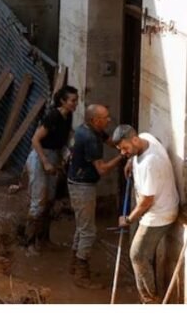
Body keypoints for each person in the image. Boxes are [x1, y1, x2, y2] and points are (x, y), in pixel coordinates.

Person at [111, 125, 180, 304]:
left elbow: (146, 201)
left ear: (134, 140)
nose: (124, 152)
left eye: (125, 148)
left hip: (159, 213)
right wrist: (130, 162)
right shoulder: (144, 137)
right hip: (155, 207)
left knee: (137, 254)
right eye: (121, 150)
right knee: (141, 254)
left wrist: (128, 219)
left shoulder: (150, 163)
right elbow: (144, 142)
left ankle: (150, 300)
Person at [66, 104, 124, 288]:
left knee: (81, 228)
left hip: (77, 182)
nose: (109, 120)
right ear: (95, 120)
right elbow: (102, 169)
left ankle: (74, 266)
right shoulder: (90, 137)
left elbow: (110, 141)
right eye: (105, 118)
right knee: (89, 232)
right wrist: (122, 156)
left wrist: (126, 142)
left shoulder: (89, 129)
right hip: (82, 186)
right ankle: (81, 275)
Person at [24, 85, 78, 254]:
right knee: (38, 201)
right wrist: (45, 162)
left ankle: (44, 239)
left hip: (54, 156)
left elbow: (65, 137)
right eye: (73, 100)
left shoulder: (68, 116)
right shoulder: (53, 116)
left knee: (49, 200)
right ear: (63, 101)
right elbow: (35, 140)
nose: (76, 103)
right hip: (41, 156)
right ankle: (29, 244)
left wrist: (65, 154)